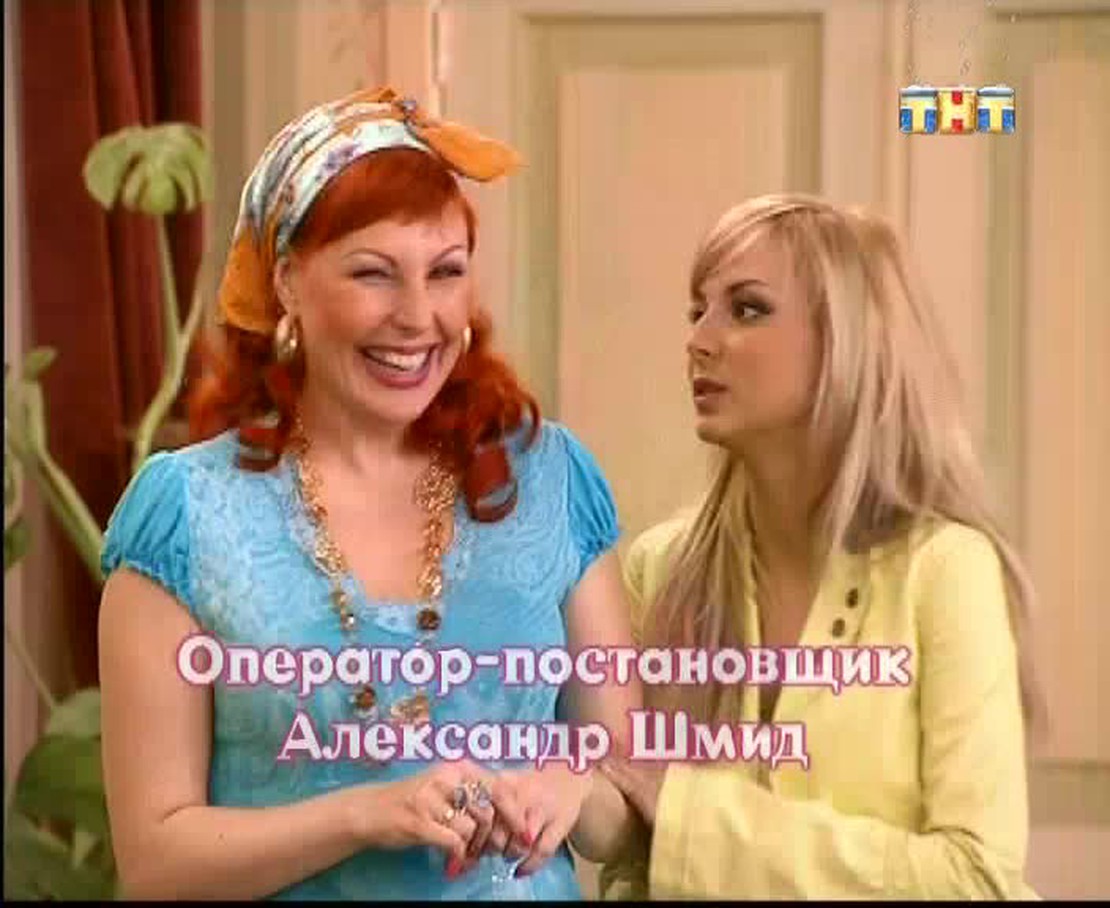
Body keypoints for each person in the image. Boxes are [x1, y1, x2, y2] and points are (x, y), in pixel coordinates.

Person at [98, 87, 642, 900]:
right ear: (287, 281)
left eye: (445, 272)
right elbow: (155, 864)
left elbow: (624, 801)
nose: (418, 316)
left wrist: (573, 785)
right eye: (373, 275)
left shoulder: (551, 481)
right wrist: (365, 815)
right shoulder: (185, 513)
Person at [597, 194, 1042, 899]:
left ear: (846, 342)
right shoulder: (660, 567)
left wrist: (691, 820)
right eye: (697, 311)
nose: (699, 341)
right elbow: (631, 866)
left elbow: (977, 880)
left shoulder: (946, 570)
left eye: (747, 309)